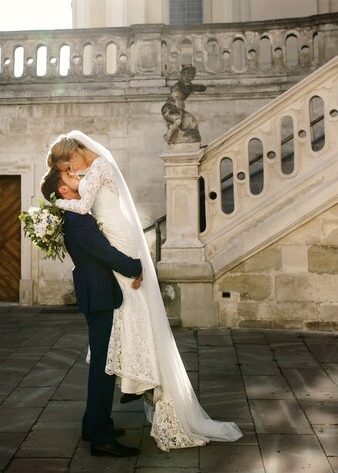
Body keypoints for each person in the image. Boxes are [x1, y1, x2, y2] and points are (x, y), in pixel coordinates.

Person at [45, 130, 243, 451]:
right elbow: (94, 233)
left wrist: (55, 203)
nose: (71, 172)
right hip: (111, 264)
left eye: (68, 164)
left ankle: (103, 418)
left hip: (114, 257)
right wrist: (132, 267)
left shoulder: (95, 174)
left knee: (110, 352)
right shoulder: (82, 190)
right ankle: (105, 420)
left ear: (75, 152)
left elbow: (88, 219)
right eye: (66, 171)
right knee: (109, 354)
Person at [40, 168, 142, 458]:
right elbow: (104, 252)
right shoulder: (77, 218)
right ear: (63, 191)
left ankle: (93, 424)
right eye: (70, 177)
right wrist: (137, 266)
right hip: (99, 295)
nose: (77, 177)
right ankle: (100, 437)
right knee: (103, 366)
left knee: (101, 362)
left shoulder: (75, 215)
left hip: (94, 293)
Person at [161, 64, 206, 144]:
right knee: (178, 119)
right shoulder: (180, 84)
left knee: (192, 122)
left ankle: (193, 142)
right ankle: (168, 135)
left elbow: (201, 88)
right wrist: (196, 87)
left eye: (193, 74)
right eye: (188, 73)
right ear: (183, 74)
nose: (191, 76)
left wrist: (199, 87)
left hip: (180, 110)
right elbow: (186, 89)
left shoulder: (189, 85)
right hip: (170, 108)